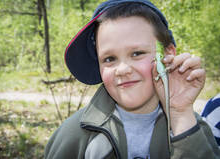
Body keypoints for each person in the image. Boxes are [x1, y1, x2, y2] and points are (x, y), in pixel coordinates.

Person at [45, 0, 220, 158]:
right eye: (109, 59)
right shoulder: (72, 138)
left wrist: (181, 116)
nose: (122, 70)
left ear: (168, 55)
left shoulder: (195, 129)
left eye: (137, 53)